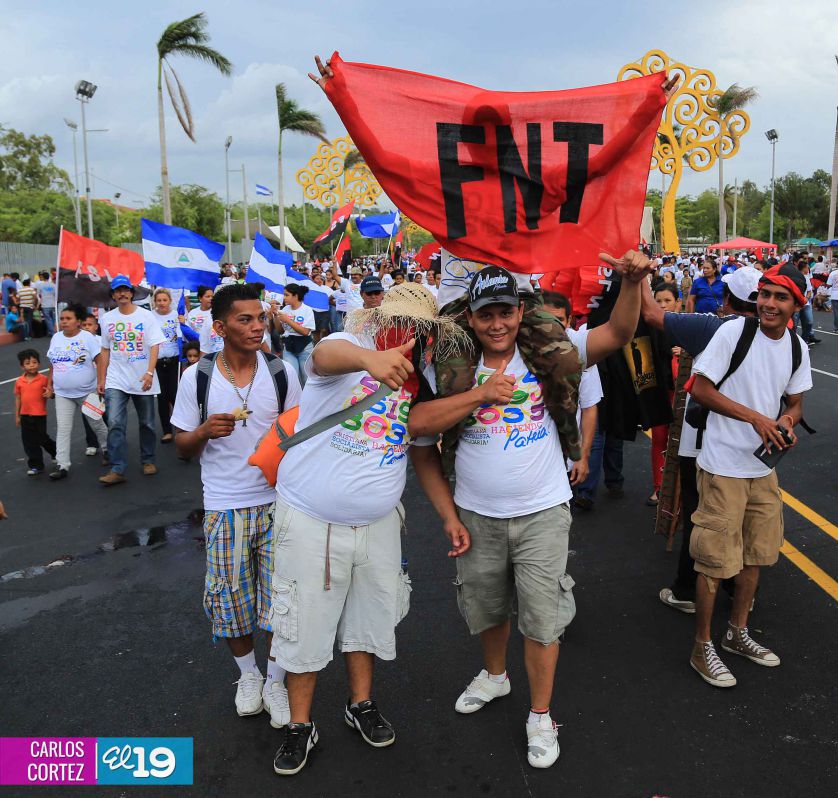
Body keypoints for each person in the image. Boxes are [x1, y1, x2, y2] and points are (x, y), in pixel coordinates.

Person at [408, 253, 654, 769]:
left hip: (543, 510)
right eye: (485, 315)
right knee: (488, 609)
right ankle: (496, 678)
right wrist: (449, 516)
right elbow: (419, 436)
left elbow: (618, 332)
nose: (497, 324)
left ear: (521, 311)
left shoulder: (550, 353)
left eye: (505, 312)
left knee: (542, 620)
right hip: (476, 515)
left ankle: (540, 713)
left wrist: (632, 283)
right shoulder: (448, 366)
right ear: (469, 318)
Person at [269, 283, 469, 776]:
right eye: (399, 323)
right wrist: (368, 359)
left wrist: (447, 516)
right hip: (312, 520)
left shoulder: (422, 382)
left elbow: (422, 453)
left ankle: (360, 704)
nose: (409, 335)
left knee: (367, 622)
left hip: (377, 524)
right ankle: (300, 725)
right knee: (304, 626)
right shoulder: (347, 360)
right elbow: (322, 353)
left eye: (421, 329)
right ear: (378, 322)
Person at [172, 283, 302, 728]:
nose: (255, 327)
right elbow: (181, 448)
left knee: (282, 601)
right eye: (244, 320)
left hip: (278, 502)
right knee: (231, 602)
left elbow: (299, 436)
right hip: (224, 505)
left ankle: (277, 681)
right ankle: (249, 676)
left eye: (259, 318)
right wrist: (204, 431)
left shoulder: (282, 371)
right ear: (220, 326)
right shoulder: (198, 377)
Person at [687, 264, 812, 687]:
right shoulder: (733, 333)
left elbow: (795, 403)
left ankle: (737, 632)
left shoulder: (797, 347)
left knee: (757, 555)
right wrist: (756, 418)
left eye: (780, 297)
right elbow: (699, 388)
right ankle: (701, 646)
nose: (769, 304)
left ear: (798, 304)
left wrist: (787, 422)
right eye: (765, 294)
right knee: (714, 561)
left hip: (762, 467)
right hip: (723, 465)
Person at [640, 266, 762, 614]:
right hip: (755, 443)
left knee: (700, 515)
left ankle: (688, 590)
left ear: (726, 300)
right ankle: (742, 590)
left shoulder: (714, 327)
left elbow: (651, 314)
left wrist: (637, 275)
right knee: (745, 517)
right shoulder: (783, 335)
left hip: (706, 442)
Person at [97, 275, 165, 486]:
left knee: (147, 423)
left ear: (132, 293)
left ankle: (148, 460)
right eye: (118, 291)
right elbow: (105, 349)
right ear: (113, 295)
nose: (122, 294)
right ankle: (117, 468)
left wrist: (150, 372)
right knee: (115, 422)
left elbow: (155, 345)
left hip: (142, 377)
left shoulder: (146, 317)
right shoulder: (107, 319)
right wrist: (102, 377)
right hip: (116, 379)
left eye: (126, 290)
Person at [44, 303, 108, 480]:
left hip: (87, 391)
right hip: (62, 393)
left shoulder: (87, 338)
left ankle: (108, 448)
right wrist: (49, 385)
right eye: (62, 319)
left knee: (96, 423)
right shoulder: (56, 338)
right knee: (63, 428)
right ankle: (62, 464)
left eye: (68, 319)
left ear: (78, 321)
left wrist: (101, 381)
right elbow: (53, 364)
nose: (64, 322)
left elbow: (100, 360)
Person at [15, 349, 56, 476]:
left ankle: (56, 452)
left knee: (42, 438)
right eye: (27, 363)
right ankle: (36, 465)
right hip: (25, 415)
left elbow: (52, 394)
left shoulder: (44, 380)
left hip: (39, 415)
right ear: (22, 366)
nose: (31, 365)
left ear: (39, 363)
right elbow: (18, 398)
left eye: (34, 362)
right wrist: (17, 416)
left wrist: (51, 394)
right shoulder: (19, 382)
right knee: (29, 442)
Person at [152, 288, 183, 444]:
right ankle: (166, 431)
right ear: (155, 302)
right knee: (162, 397)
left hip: (174, 360)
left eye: (164, 300)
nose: (162, 303)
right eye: (159, 300)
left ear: (170, 301)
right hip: (157, 361)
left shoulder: (177, 315)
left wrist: (183, 324)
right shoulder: (150, 316)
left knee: (175, 395)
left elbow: (185, 333)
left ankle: (180, 428)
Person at [277, 284, 315, 386]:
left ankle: (308, 401)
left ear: (295, 296)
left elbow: (305, 332)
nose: (284, 298)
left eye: (286, 295)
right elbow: (280, 330)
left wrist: (287, 320)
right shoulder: (285, 309)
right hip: (289, 346)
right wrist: (275, 317)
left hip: (305, 347)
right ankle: (296, 400)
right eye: (284, 295)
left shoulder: (307, 310)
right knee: (292, 377)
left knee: (307, 379)